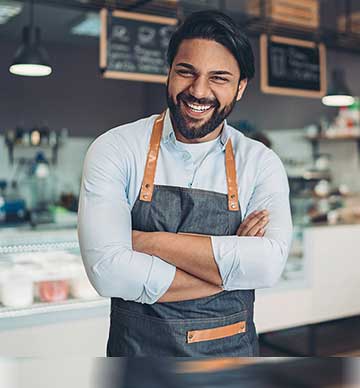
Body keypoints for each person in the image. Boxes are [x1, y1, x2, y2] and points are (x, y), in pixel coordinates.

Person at [78, 10, 292, 356]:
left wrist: (145, 242)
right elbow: (109, 274)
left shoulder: (261, 163)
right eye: (186, 71)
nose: (198, 90)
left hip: (230, 361)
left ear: (240, 88)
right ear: (169, 72)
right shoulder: (115, 148)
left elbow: (266, 267)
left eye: (219, 78)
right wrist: (229, 269)